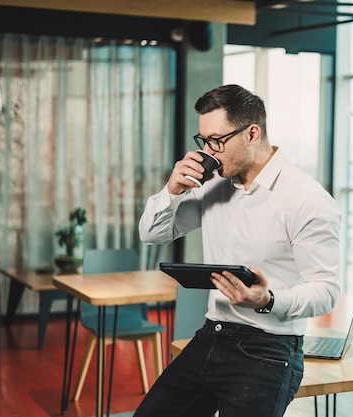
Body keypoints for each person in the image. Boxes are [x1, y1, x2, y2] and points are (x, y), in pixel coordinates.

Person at [135, 84, 341, 417]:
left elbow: (326, 291)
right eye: (204, 142)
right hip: (211, 334)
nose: (210, 153)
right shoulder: (212, 185)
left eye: (217, 140)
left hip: (269, 347)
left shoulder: (307, 199)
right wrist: (171, 191)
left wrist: (269, 299)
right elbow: (153, 234)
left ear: (252, 133)